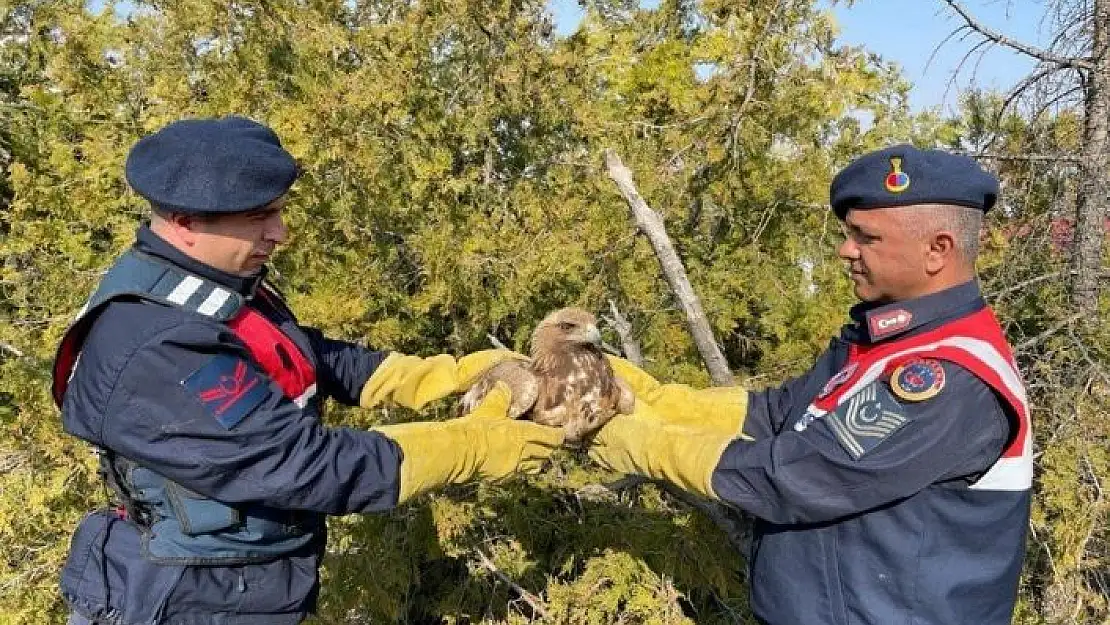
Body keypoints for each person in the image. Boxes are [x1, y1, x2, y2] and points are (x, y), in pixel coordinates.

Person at [52, 116, 564, 624]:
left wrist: (433, 376)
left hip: (239, 584)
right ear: (185, 222)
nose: (280, 232)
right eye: (259, 217)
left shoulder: (212, 280)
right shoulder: (157, 345)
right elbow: (303, 464)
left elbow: (295, 353)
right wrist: (467, 446)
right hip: (182, 598)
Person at [591, 145, 1031, 625]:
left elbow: (799, 476)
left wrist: (641, 444)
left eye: (866, 237)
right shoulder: (885, 339)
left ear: (937, 250)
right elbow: (783, 413)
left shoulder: (948, 377)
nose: (846, 250)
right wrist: (660, 401)